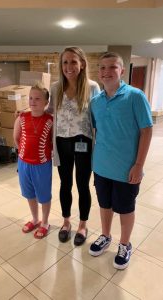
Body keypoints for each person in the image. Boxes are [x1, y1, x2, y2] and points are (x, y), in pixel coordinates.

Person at [89, 52, 153, 269]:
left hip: (127, 169)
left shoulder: (135, 96)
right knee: (105, 205)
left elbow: (146, 131)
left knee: (125, 208)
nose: (107, 72)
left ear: (122, 71)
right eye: (103, 68)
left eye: (112, 67)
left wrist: (138, 165)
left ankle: (125, 244)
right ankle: (106, 236)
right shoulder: (95, 101)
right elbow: (96, 131)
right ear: (98, 72)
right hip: (101, 166)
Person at [48, 46, 100, 246]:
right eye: (65, 62)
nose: (69, 66)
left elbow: (99, 114)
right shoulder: (55, 88)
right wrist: (29, 111)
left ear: (82, 64)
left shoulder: (92, 86)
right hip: (62, 142)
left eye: (73, 62)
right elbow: (51, 109)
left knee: (82, 184)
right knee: (65, 184)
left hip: (83, 142)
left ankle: (83, 225)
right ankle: (66, 222)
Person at [14, 82, 53, 239]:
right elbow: (16, 138)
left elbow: (53, 143)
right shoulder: (22, 117)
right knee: (29, 193)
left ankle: (45, 222)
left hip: (42, 165)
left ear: (46, 102)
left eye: (37, 98)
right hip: (24, 163)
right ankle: (35, 219)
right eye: (30, 98)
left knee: (43, 195)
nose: (33, 101)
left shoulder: (50, 120)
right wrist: (23, 154)